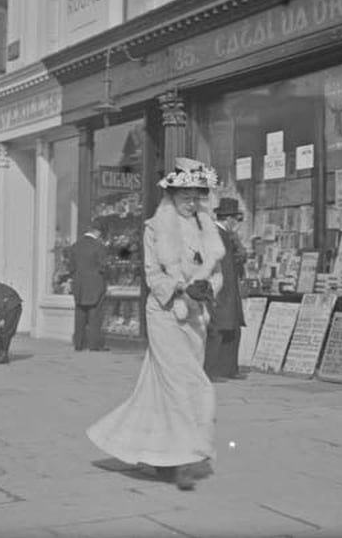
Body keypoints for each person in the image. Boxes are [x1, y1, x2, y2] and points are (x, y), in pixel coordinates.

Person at [86, 157, 225, 491]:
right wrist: (180, 287)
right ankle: (182, 457)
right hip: (164, 314)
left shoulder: (209, 228)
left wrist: (208, 288)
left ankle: (154, 450)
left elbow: (216, 273)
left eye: (197, 195)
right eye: (185, 195)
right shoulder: (155, 227)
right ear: (171, 196)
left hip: (194, 317)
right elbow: (152, 274)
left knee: (162, 385)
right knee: (186, 383)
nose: (191, 202)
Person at [204, 197, 248, 382]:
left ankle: (229, 369)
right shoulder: (215, 234)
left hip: (230, 289)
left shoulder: (227, 235)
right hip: (220, 289)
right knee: (217, 330)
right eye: (235, 220)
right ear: (229, 219)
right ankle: (211, 370)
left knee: (233, 329)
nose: (236, 224)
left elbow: (239, 259)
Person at [67, 220, 109, 351]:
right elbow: (103, 266)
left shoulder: (75, 246)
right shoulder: (99, 246)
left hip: (79, 285)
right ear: (98, 232)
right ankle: (94, 345)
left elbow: (71, 267)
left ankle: (78, 344)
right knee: (95, 315)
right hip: (96, 284)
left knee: (79, 314)